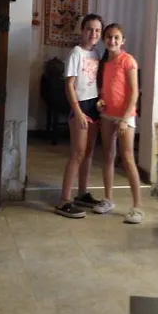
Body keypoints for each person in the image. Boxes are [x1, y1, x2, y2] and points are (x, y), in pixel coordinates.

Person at [93, 23, 144, 224]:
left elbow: (134, 92)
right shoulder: (104, 63)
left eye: (116, 37)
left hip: (125, 117)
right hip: (107, 115)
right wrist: (101, 100)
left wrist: (124, 118)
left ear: (123, 40)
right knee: (108, 156)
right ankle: (108, 199)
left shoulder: (128, 60)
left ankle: (138, 206)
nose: (112, 41)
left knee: (128, 158)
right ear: (104, 39)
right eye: (108, 37)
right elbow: (106, 89)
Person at [55, 14, 103, 219]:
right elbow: (69, 85)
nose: (93, 33)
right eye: (89, 29)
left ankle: (82, 193)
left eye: (97, 30)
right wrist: (77, 111)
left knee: (89, 151)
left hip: (94, 105)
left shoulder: (97, 53)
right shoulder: (76, 52)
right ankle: (64, 200)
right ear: (82, 30)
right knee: (78, 153)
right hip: (80, 106)